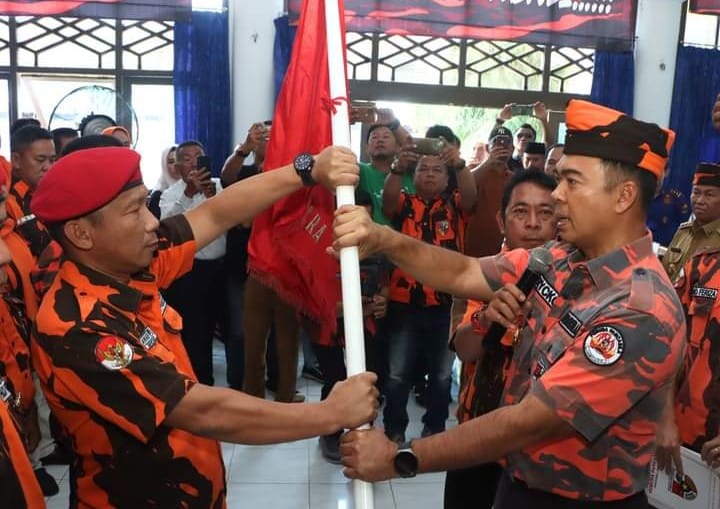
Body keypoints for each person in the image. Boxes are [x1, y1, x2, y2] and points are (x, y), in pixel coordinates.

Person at [335, 99, 685, 508]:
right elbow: (463, 272)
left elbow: (529, 422)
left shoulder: (640, 309)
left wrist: (399, 458)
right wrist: (383, 239)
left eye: (572, 182)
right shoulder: (558, 258)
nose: (557, 195)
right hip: (517, 484)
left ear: (624, 196)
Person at [29, 145, 378, 507]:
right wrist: (330, 414)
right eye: (134, 210)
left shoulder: (129, 264)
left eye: (146, 204)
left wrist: (306, 169)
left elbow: (215, 213)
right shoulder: (76, 326)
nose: (152, 222)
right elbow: (200, 410)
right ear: (81, 234)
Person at [444, 170, 557, 509]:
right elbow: (464, 350)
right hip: (478, 433)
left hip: (538, 445)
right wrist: (486, 319)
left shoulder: (578, 282)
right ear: (501, 221)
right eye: (521, 212)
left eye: (545, 212)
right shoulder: (480, 275)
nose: (533, 223)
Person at [380, 146, 477, 444]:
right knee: (397, 374)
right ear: (414, 176)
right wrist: (397, 169)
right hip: (404, 302)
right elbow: (387, 202)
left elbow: (471, 197)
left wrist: (460, 165)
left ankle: (434, 430)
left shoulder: (455, 205)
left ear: (447, 178)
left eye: (437, 170)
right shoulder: (405, 202)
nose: (430, 174)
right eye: (423, 169)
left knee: (442, 375)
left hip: (445, 304)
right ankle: (394, 429)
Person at [160, 140, 226, 386]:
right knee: (196, 332)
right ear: (177, 167)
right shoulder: (171, 194)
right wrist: (188, 194)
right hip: (190, 272)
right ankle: (200, 384)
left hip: (222, 268)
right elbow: (167, 228)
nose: (194, 162)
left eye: (199, 156)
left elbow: (234, 220)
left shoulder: (220, 186)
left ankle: (238, 384)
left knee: (233, 332)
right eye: (186, 158)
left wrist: (213, 198)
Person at [662, 163, 720, 284]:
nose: (699, 200)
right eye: (696, 192)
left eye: (709, 195)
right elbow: (663, 276)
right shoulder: (683, 232)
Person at [147, 145, 178, 219]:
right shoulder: (158, 196)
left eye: (179, 160)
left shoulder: (193, 187)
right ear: (164, 165)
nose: (176, 165)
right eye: (171, 162)